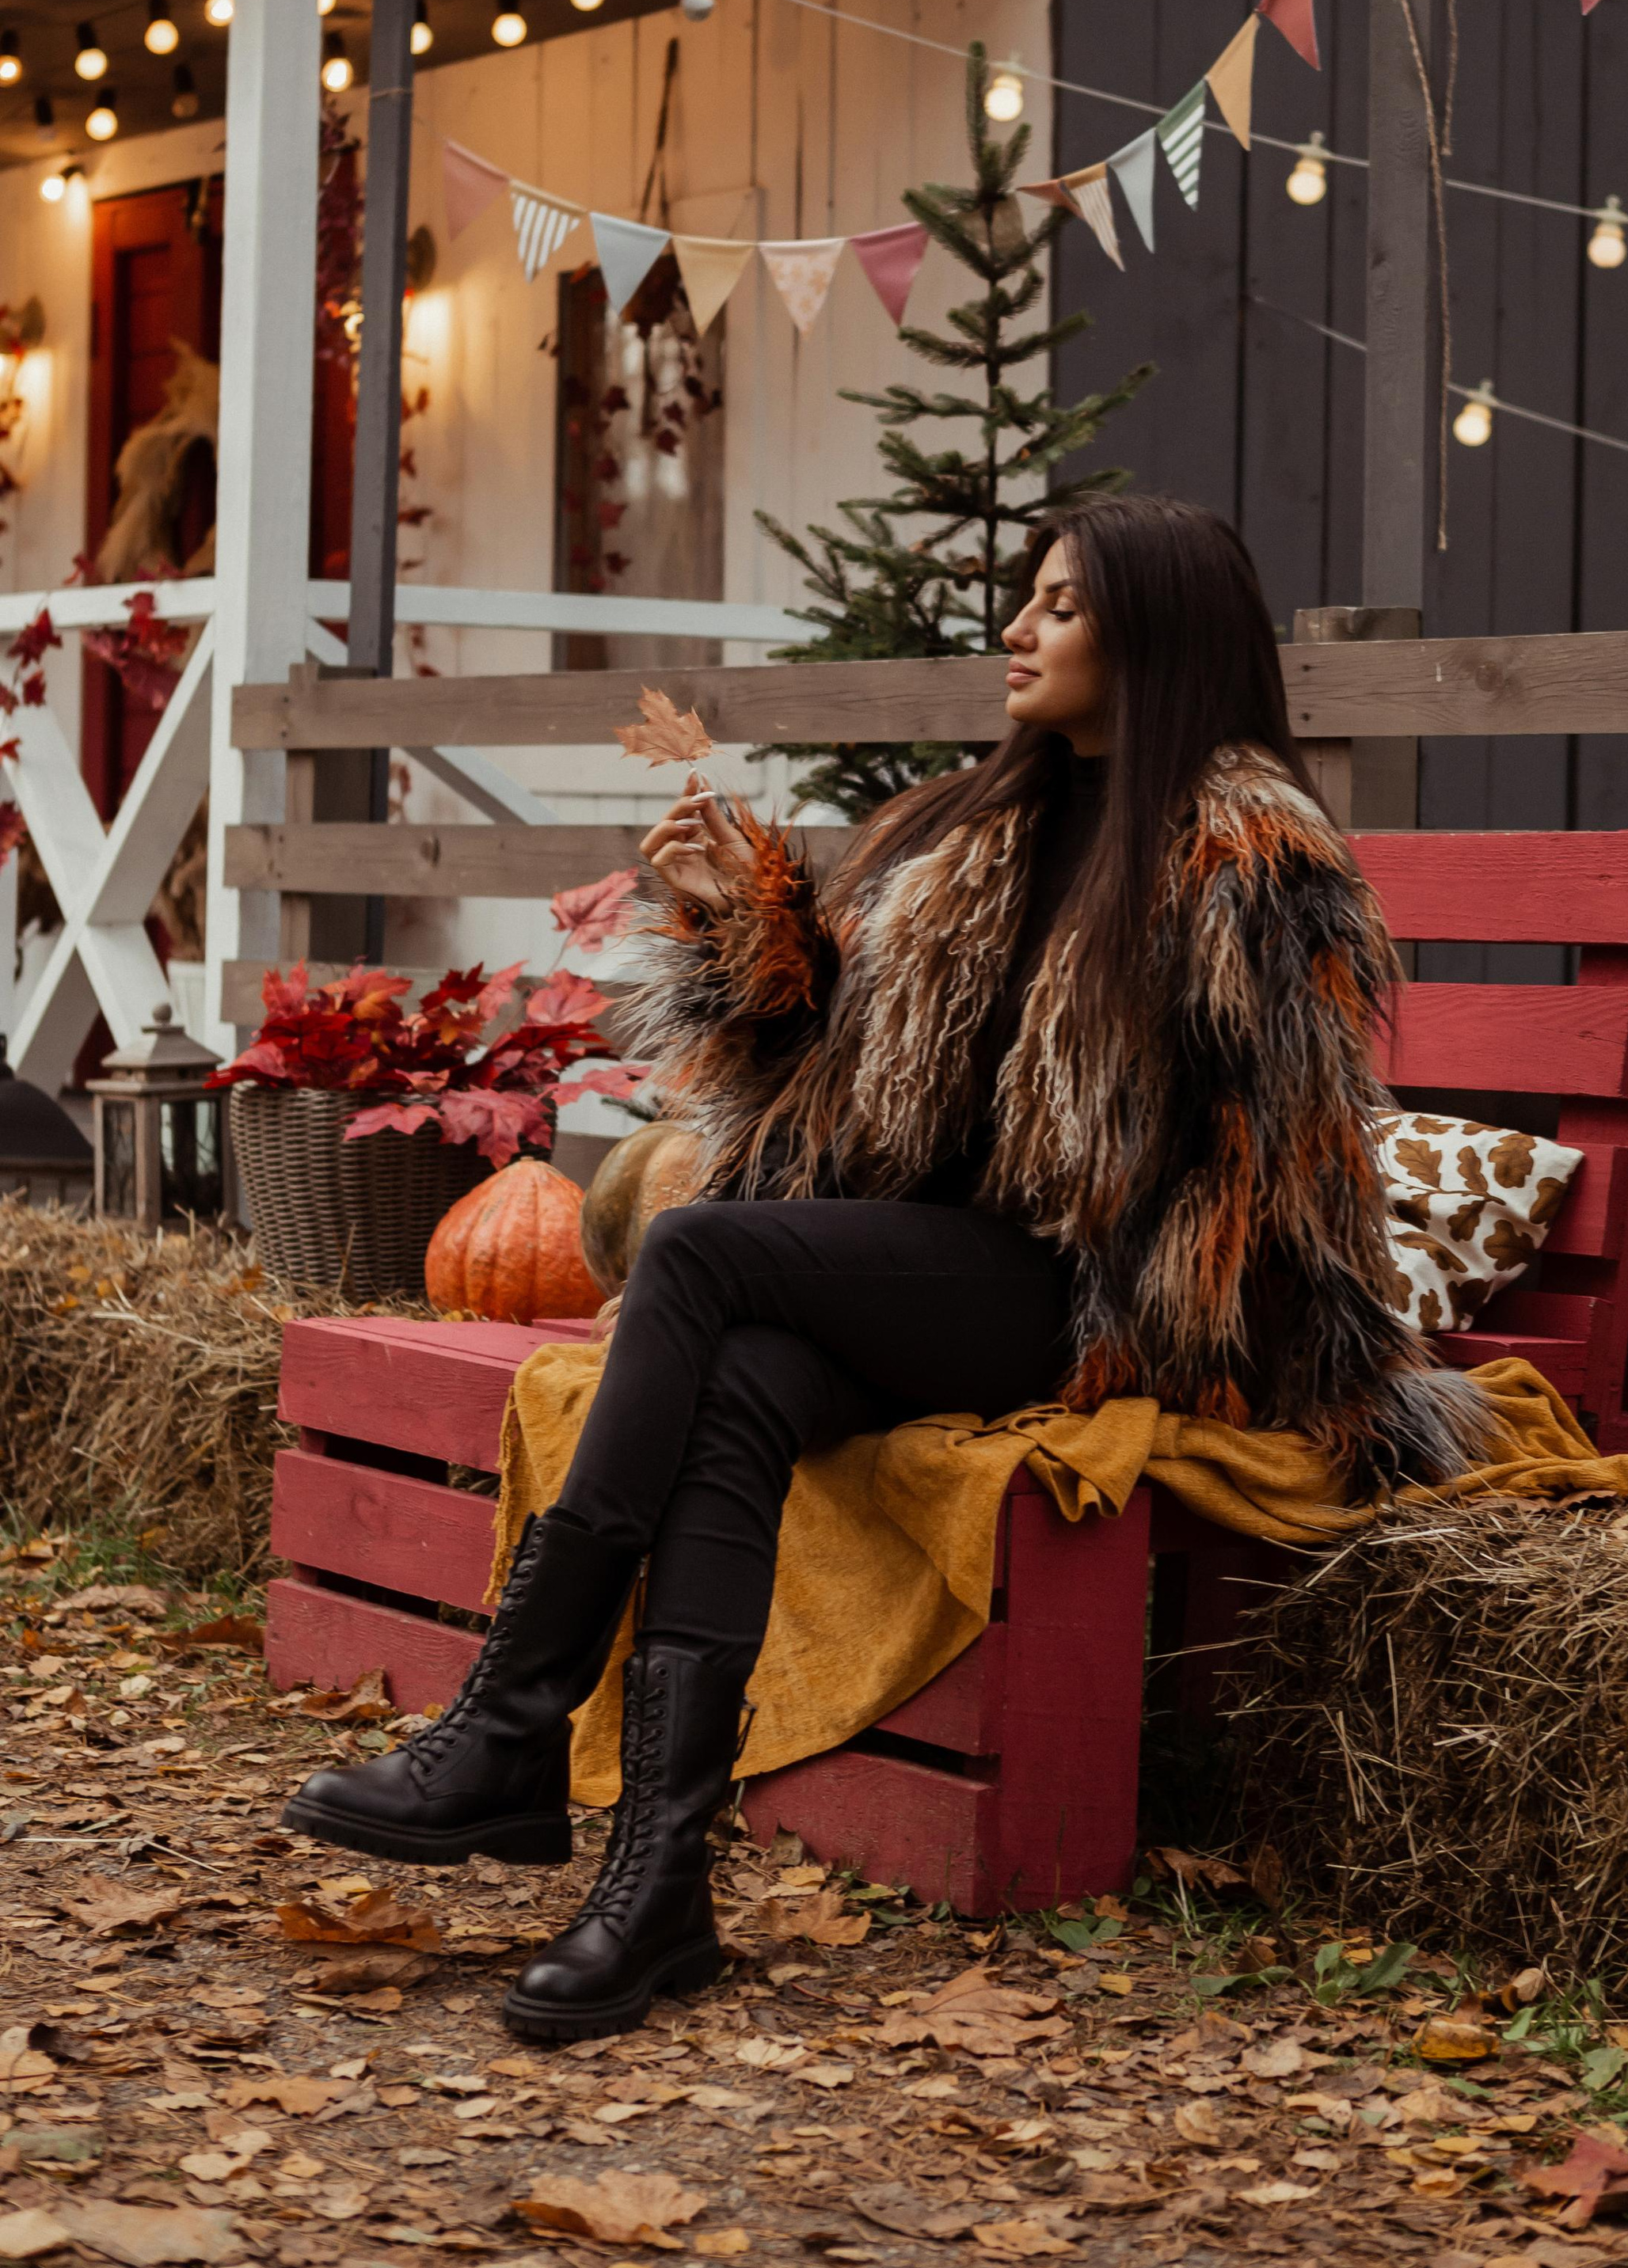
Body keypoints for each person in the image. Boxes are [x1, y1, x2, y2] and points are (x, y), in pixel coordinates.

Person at [282, 494, 1493, 2041]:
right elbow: (834, 1094)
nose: (1014, 631)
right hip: (930, 1266)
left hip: (1088, 1301)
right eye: (1026, 602)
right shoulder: (962, 833)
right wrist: (748, 936)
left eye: (1056, 607)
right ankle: (655, 1890)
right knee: (740, 1384)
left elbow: (1289, 1163)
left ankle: (514, 1722)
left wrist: (1211, 1322)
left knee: (705, 1255)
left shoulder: (1249, 861)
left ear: (1154, 634)